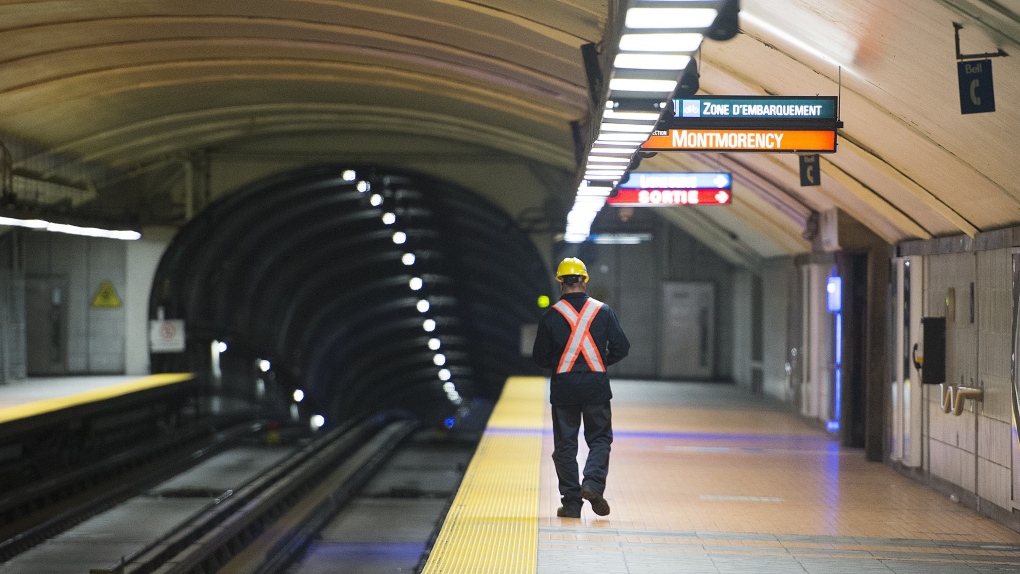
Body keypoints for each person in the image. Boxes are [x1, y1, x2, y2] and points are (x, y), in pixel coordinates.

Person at [532, 257, 630, 518]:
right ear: (585, 281)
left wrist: (562, 362)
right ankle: (593, 484)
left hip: (564, 387)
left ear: (561, 283)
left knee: (565, 445)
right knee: (599, 438)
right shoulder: (604, 311)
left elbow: (540, 358)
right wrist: (598, 361)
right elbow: (622, 347)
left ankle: (572, 504)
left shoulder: (551, 316)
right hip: (596, 386)